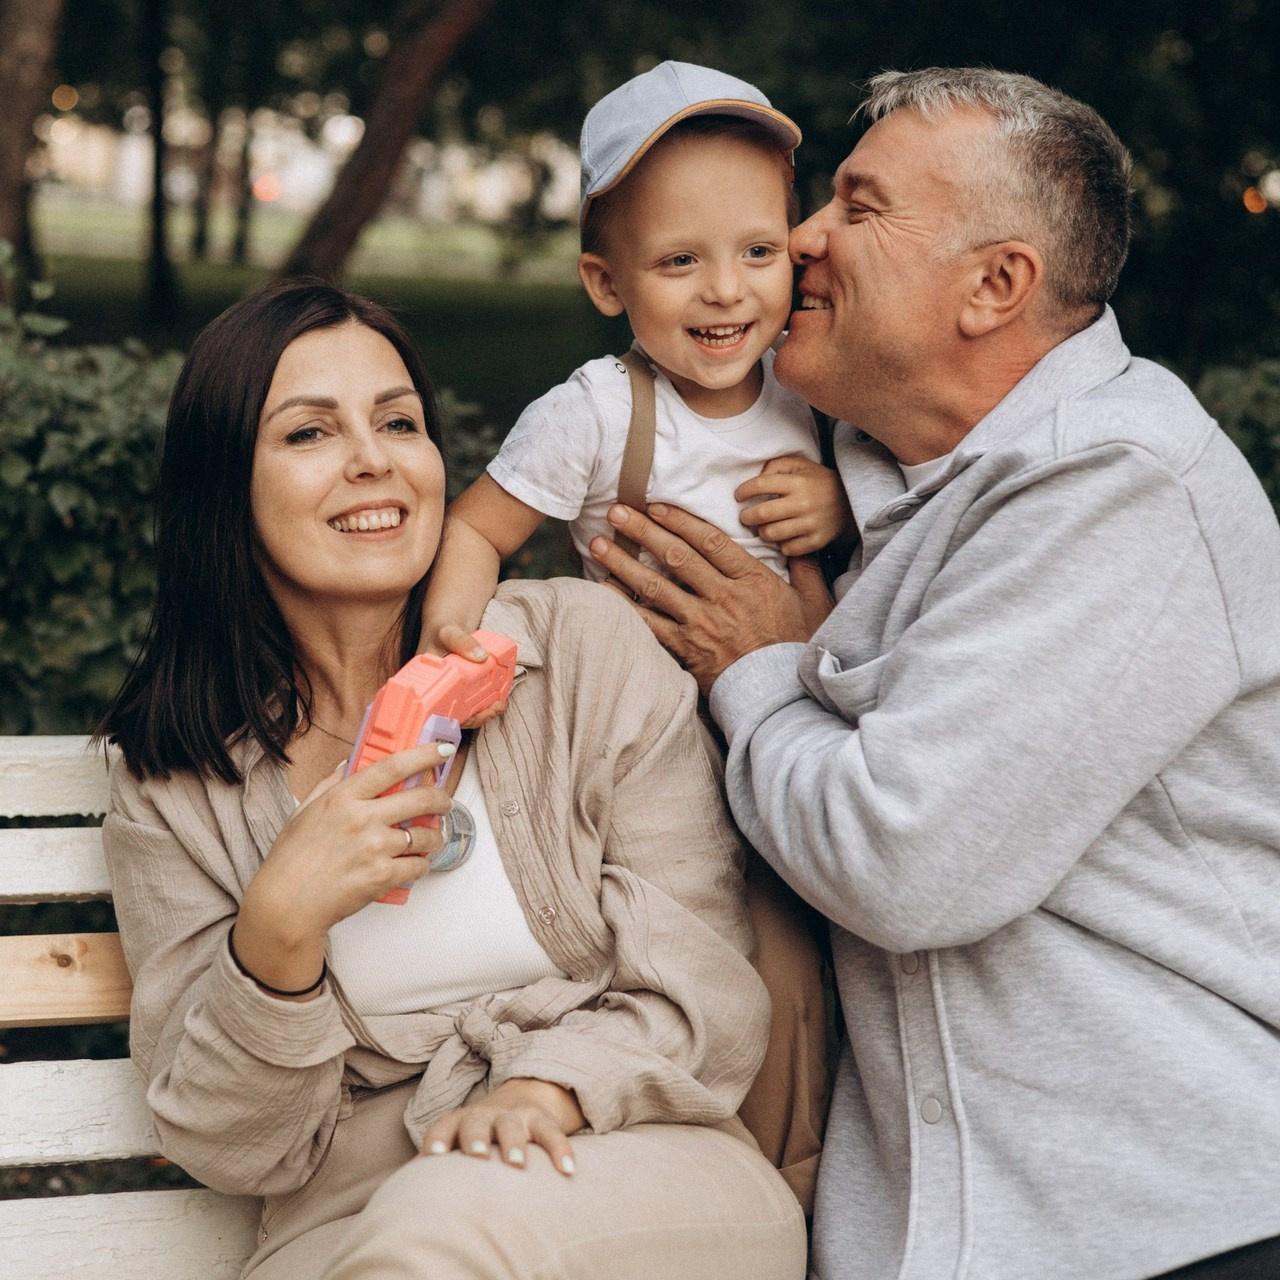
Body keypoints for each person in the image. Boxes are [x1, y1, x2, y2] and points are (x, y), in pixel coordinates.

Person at [589, 67, 1280, 1280]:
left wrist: (762, 666)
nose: (797, 236)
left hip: (1168, 1219)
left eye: (856, 207)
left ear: (993, 285)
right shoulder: (854, 472)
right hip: (923, 1230)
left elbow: (900, 859)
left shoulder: (1119, 486)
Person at [97, 279, 807, 1280]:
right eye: (309, 434)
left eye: (398, 421)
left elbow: (697, 975)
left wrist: (548, 1087)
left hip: (634, 1157)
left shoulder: (579, 652)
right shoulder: (176, 781)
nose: (373, 459)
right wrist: (277, 934)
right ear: (226, 486)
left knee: (445, 1226)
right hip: (344, 1214)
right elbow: (239, 1148)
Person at [421, 60, 849, 649]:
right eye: (680, 260)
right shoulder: (595, 413)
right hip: (644, 716)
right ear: (607, 284)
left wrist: (841, 508)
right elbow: (474, 528)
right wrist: (445, 636)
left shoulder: (812, 383)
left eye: (757, 250)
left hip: (796, 705)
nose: (725, 291)